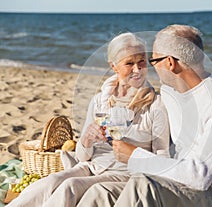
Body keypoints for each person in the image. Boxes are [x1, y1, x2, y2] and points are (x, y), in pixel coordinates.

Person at [81, 24, 212, 207]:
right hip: (181, 183)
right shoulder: (170, 93)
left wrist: (135, 155)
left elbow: (200, 176)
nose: (151, 67)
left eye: (153, 61)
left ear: (169, 62)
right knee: (102, 192)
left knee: (142, 186)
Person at [7, 32, 170, 207]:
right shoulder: (100, 100)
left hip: (125, 173)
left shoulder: (155, 105)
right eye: (129, 63)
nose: (137, 69)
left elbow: (162, 157)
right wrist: (87, 139)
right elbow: (82, 157)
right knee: (49, 182)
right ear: (114, 66)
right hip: (92, 166)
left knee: (70, 186)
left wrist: (132, 154)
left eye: (142, 62)